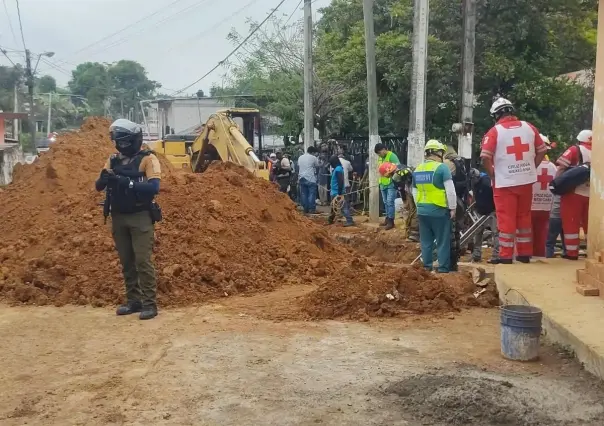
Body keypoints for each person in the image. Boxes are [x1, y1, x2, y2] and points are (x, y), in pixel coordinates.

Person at [95, 119, 161, 320]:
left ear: (133, 140)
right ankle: (134, 301)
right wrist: (104, 179)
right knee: (127, 262)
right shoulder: (113, 160)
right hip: (119, 216)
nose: (121, 146)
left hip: (140, 216)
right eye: (118, 142)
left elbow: (154, 188)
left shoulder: (148, 159)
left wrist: (127, 183)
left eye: (124, 142)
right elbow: (99, 186)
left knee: (142, 261)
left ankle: (150, 304)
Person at [480, 97, 546, 264]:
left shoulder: (495, 132)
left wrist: (492, 174)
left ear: (496, 115)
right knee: (524, 217)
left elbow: (484, 157)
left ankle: (506, 256)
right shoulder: (529, 127)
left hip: (504, 183)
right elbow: (541, 150)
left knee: (506, 218)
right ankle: (524, 254)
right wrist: (531, 167)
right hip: (526, 180)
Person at [412, 140, 457, 273]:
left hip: (422, 210)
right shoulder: (442, 168)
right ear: (438, 153)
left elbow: (414, 191)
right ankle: (443, 269)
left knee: (426, 242)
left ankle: (427, 267)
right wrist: (452, 208)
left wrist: (419, 206)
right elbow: (450, 190)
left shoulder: (418, 168)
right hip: (438, 210)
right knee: (443, 241)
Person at [555, 130, 592, 260]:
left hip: (574, 192)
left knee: (571, 223)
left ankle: (571, 253)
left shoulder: (575, 150)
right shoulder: (599, 151)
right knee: (589, 224)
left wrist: (556, 184)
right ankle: (592, 252)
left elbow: (561, 167)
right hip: (592, 194)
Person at [531, 135, 557, 257]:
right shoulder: (553, 167)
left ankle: (525, 257)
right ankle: (540, 258)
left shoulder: (530, 165)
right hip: (547, 207)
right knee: (543, 234)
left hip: (530, 206)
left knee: (526, 235)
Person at [469, 169, 499, 264]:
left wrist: (495, 209)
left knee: (496, 233)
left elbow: (495, 194)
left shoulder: (487, 182)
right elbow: (475, 194)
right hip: (480, 210)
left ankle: (496, 255)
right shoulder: (473, 183)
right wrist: (474, 204)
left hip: (491, 210)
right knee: (478, 233)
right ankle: (476, 255)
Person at [375, 143, 401, 230]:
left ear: (384, 149)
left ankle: (391, 221)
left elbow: (398, 168)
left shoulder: (392, 156)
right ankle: (387, 218)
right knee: (385, 202)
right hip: (382, 183)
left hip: (391, 183)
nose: (379, 155)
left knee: (390, 202)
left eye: (379, 152)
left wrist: (391, 175)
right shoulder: (380, 158)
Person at [392, 164, 419, 241]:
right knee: (412, 211)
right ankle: (411, 232)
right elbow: (401, 189)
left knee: (415, 212)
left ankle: (414, 234)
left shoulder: (413, 177)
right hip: (410, 192)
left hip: (416, 192)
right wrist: (404, 200)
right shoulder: (399, 177)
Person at [327, 155, 354, 226]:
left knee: (343, 207)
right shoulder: (337, 168)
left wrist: (339, 193)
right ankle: (330, 220)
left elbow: (340, 181)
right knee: (334, 207)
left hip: (337, 192)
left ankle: (349, 220)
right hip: (335, 192)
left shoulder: (338, 169)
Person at [298, 146, 320, 214]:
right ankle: (311, 209)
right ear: (312, 152)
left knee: (304, 194)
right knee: (311, 194)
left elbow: (299, 166)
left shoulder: (300, 157)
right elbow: (317, 165)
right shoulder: (313, 157)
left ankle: (305, 209)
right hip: (310, 178)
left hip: (301, 177)